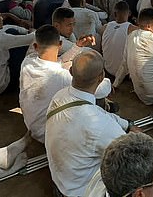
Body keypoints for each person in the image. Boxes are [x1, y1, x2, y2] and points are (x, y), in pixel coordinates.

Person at [45, 51, 132, 197]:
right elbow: (133, 158)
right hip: (81, 192)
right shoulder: (102, 126)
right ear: (101, 77)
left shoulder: (58, 96)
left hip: (60, 184)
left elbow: (97, 112)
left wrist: (127, 124)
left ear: (71, 71)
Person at [19, 25, 111, 144]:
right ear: (60, 44)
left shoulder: (28, 61)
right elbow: (103, 90)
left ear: (35, 46)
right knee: (90, 93)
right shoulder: (62, 77)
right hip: (49, 134)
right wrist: (103, 79)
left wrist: (77, 47)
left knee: (69, 69)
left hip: (32, 126)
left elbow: (58, 62)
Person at [100, 1, 137, 78]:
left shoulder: (104, 27)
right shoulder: (133, 29)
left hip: (107, 69)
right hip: (124, 74)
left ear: (114, 14)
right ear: (129, 13)